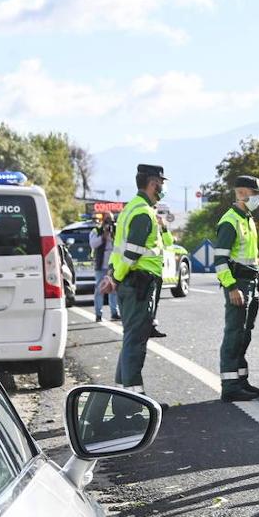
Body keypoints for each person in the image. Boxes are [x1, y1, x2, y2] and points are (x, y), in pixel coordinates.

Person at [99, 164, 170, 403]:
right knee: (135, 342)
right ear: (153, 183)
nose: (163, 187)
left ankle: (123, 396)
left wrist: (112, 275)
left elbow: (118, 252)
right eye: (162, 182)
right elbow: (131, 254)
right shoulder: (143, 213)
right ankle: (135, 404)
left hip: (132, 282)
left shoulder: (132, 209)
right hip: (140, 284)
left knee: (130, 339)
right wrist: (115, 278)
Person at [213, 175, 259, 402]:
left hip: (251, 283)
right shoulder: (230, 221)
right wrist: (231, 287)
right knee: (234, 334)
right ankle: (230, 386)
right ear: (242, 193)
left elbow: (250, 256)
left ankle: (241, 380)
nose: (257, 198)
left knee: (245, 333)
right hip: (238, 285)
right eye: (254, 193)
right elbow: (220, 261)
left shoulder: (247, 218)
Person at [88, 215, 119, 321]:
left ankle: (114, 312)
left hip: (113, 265)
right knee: (99, 289)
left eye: (110, 220)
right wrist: (103, 236)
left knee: (114, 289)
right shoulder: (96, 231)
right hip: (101, 265)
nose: (108, 223)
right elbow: (93, 244)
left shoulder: (116, 230)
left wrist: (113, 234)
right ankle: (98, 314)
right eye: (106, 220)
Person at [149, 213, 173, 338]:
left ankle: (151, 327)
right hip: (146, 270)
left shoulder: (158, 228)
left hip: (157, 269)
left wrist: (164, 227)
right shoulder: (145, 224)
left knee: (155, 301)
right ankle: (143, 329)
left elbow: (169, 242)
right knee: (147, 302)